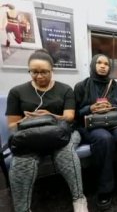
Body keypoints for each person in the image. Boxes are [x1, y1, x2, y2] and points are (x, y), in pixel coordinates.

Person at [5, 49, 88, 212]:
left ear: (52, 70)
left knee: (66, 154)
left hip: (61, 134)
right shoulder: (16, 92)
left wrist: (51, 115)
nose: (39, 76)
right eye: (34, 72)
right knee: (22, 161)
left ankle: (78, 198)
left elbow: (69, 117)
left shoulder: (65, 90)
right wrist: (26, 119)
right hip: (30, 137)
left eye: (44, 72)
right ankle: (22, 208)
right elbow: (12, 125)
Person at [74, 54, 117, 210]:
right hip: (93, 124)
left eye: (106, 64)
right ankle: (105, 188)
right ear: (93, 65)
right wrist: (90, 108)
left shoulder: (114, 84)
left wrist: (111, 105)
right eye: (99, 63)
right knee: (104, 139)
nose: (103, 66)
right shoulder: (81, 86)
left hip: (113, 120)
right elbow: (75, 113)